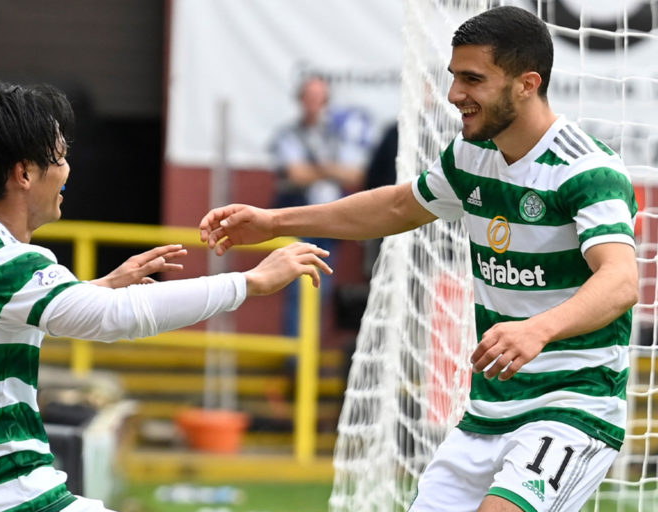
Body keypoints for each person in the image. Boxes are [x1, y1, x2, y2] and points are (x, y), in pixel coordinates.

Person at [200, 6, 638, 512]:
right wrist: (274, 222)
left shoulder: (587, 170)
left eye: (473, 79)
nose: (454, 95)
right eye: (455, 77)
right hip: (490, 411)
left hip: (572, 408)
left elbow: (621, 281)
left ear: (527, 84)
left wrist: (537, 329)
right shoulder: (472, 155)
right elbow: (396, 206)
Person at [0, 81, 332, 512]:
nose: (67, 170)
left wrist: (98, 286)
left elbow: (3, 313)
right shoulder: (9, 264)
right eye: (59, 157)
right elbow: (117, 317)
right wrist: (249, 282)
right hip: (10, 497)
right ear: (24, 174)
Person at [270, 74, 369, 336]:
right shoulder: (288, 135)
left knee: (320, 288)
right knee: (296, 288)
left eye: (319, 97)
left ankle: (309, 351)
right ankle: (296, 354)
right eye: (309, 97)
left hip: (329, 224)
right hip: (298, 221)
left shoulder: (336, 136)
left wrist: (315, 169)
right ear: (300, 100)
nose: (314, 103)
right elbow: (295, 174)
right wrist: (331, 170)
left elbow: (355, 174)